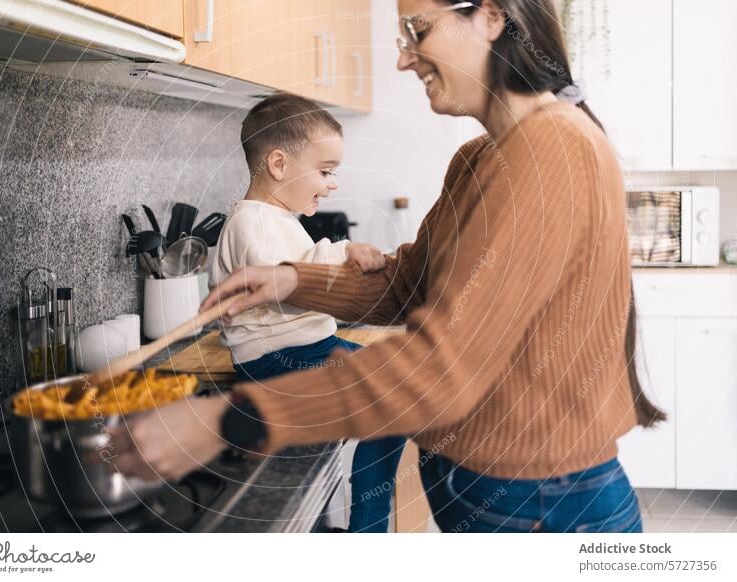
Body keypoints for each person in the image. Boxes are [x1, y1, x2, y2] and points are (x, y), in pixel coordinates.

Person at [115, 0, 665, 533]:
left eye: (417, 31)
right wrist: (290, 278)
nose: (404, 58)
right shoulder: (479, 157)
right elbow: (408, 284)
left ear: (492, 17)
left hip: (543, 502)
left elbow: (443, 369)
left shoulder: (552, 149)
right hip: (501, 494)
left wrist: (228, 419)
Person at [213, 93, 405, 532]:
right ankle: (366, 530)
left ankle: (356, 529)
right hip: (280, 363)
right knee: (393, 401)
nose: (333, 183)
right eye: (325, 172)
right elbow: (288, 285)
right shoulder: (252, 222)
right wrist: (343, 253)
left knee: (396, 395)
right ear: (279, 165)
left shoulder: (277, 218)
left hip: (309, 350)